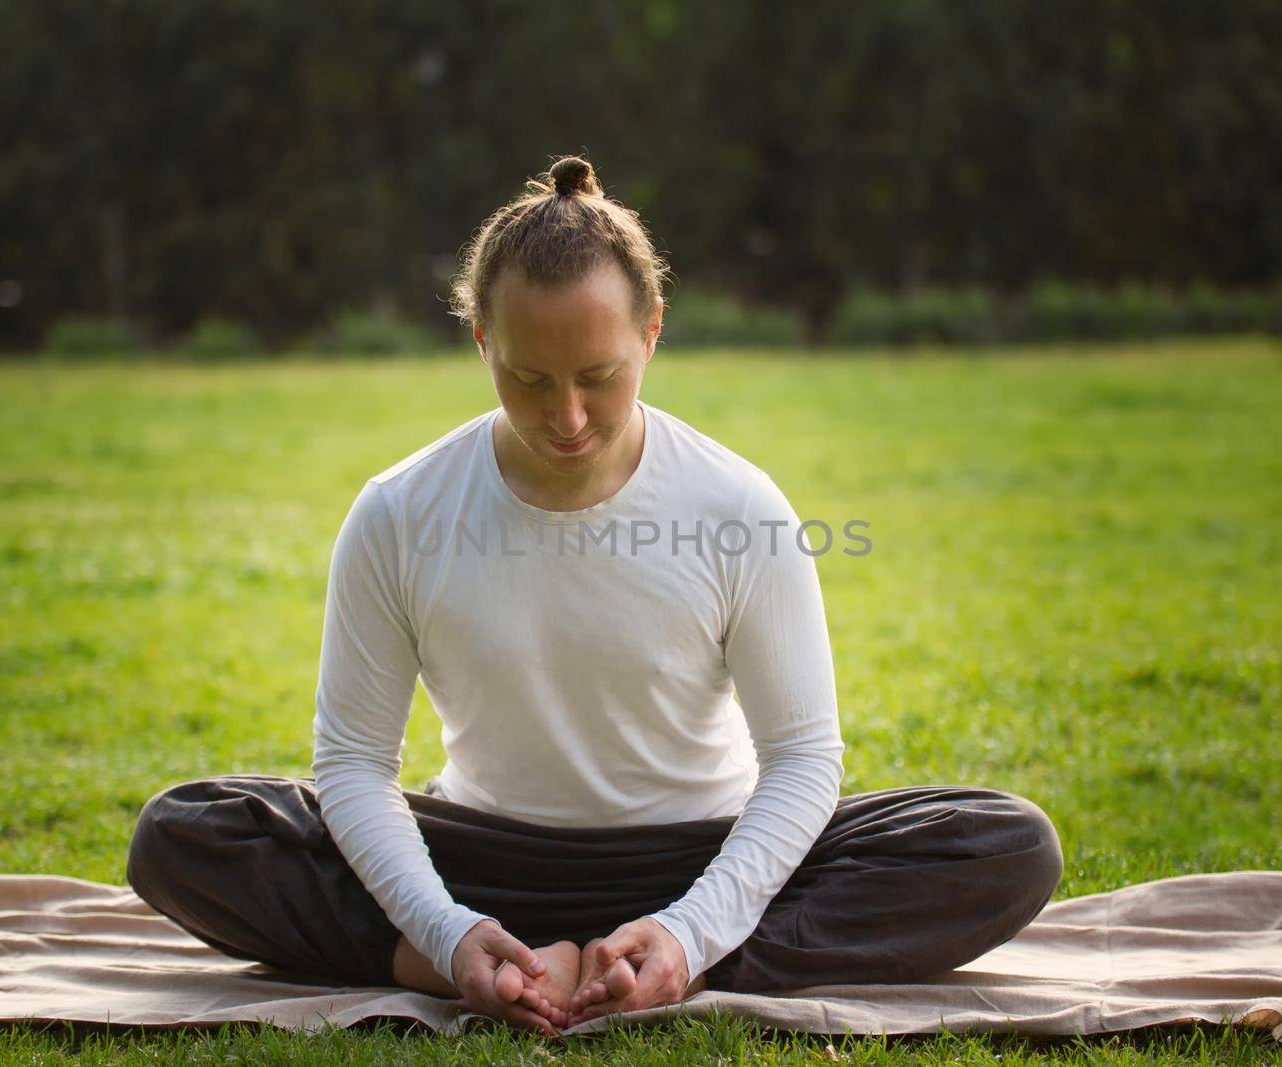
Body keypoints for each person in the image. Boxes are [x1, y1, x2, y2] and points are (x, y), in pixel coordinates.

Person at [126, 155, 1063, 1036]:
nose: (567, 416)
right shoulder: (398, 512)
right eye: (529, 379)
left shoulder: (739, 506)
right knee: (185, 833)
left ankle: (663, 963)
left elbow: (805, 758)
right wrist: (450, 931)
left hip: (697, 852)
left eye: (600, 377)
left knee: (1003, 845)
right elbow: (355, 766)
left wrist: (694, 928)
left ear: (651, 332)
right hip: (483, 855)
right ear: (482, 339)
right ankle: (464, 958)